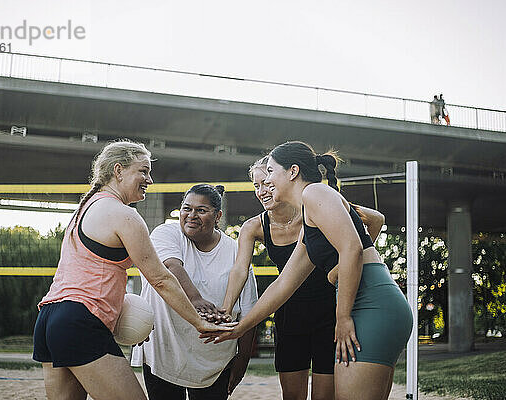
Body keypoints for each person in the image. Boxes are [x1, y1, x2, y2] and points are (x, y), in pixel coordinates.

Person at [205, 141, 413, 400]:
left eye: (270, 172)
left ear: (292, 172)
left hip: (370, 304)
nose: (266, 182)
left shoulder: (315, 193)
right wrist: (240, 327)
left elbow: (352, 248)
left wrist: (343, 317)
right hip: (369, 305)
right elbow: (283, 285)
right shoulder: (309, 219)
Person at [32, 140, 231, 400]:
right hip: (79, 320)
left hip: (49, 319)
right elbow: (160, 279)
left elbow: (90, 278)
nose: (149, 179)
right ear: (119, 170)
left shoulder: (84, 208)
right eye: (143, 171)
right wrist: (199, 322)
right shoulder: (124, 214)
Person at [135, 183, 258, 400]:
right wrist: (195, 299)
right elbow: (171, 267)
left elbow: (248, 318)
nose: (192, 215)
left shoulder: (236, 253)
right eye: (186, 208)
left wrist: (240, 364)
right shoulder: (167, 232)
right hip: (164, 353)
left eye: (201, 210)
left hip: (213, 360)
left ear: (218, 215)